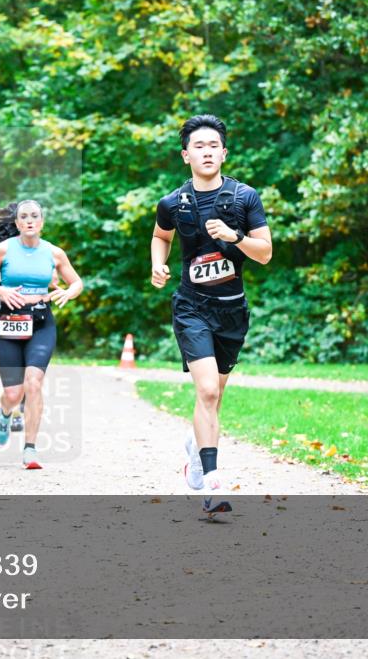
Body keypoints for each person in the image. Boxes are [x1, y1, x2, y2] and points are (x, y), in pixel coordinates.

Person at [149, 114, 273, 495]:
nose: (206, 152)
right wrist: (158, 262)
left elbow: (265, 253)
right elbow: (160, 236)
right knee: (205, 391)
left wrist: (235, 237)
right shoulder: (172, 202)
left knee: (215, 395)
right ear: (185, 155)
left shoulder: (244, 198)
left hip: (232, 310)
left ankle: (196, 450)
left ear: (224, 153)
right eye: (198, 146)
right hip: (192, 307)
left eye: (213, 146)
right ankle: (212, 479)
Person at [0, 199, 83, 469]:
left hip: (42, 323)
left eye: (35, 216)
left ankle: (30, 449)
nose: (30, 220)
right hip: (9, 323)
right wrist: (3, 291)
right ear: (17, 223)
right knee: (12, 393)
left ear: (42, 222)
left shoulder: (54, 253)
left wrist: (68, 292)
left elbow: (77, 281)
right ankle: (5, 413)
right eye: (24, 217)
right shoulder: (3, 250)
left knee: (33, 384)